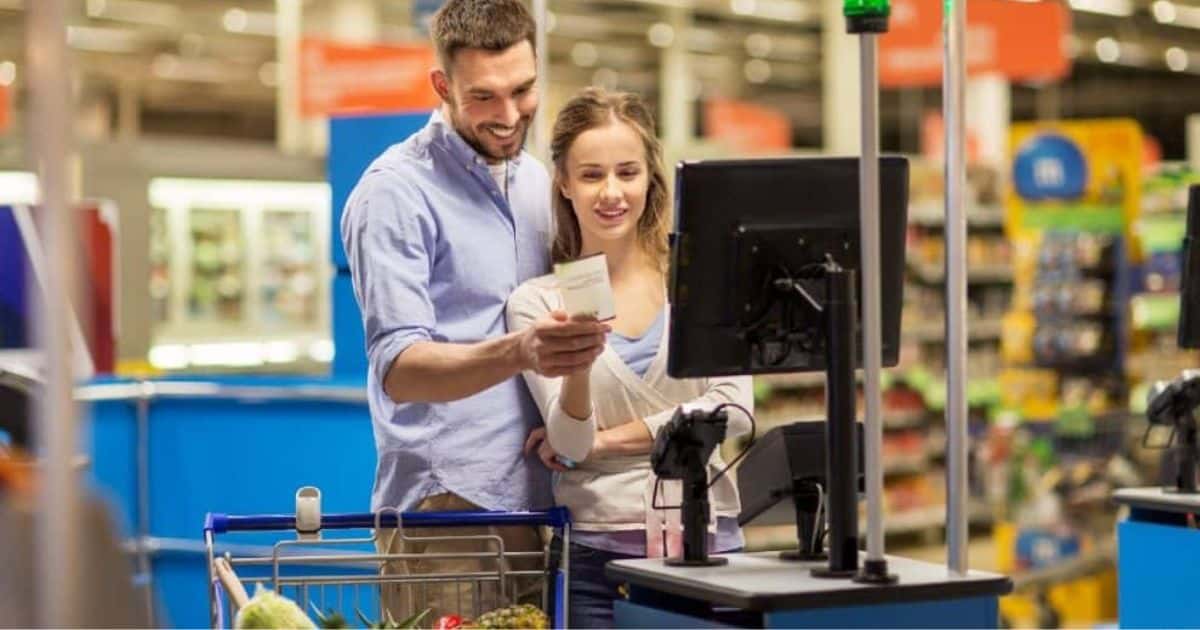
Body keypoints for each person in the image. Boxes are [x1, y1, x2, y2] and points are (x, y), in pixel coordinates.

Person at [339, 0, 608, 619]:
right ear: (442, 85)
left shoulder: (539, 182)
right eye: (484, 97)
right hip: (449, 521)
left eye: (523, 90)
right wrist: (521, 352)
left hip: (545, 512)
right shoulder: (395, 195)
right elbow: (400, 369)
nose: (510, 116)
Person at [506, 87, 754, 629]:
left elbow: (735, 408)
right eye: (592, 174)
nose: (611, 192)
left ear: (650, 179)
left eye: (627, 172)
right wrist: (575, 359)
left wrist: (604, 443)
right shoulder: (540, 303)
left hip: (709, 547)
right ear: (565, 184)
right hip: (599, 562)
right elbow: (569, 444)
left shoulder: (698, 283)